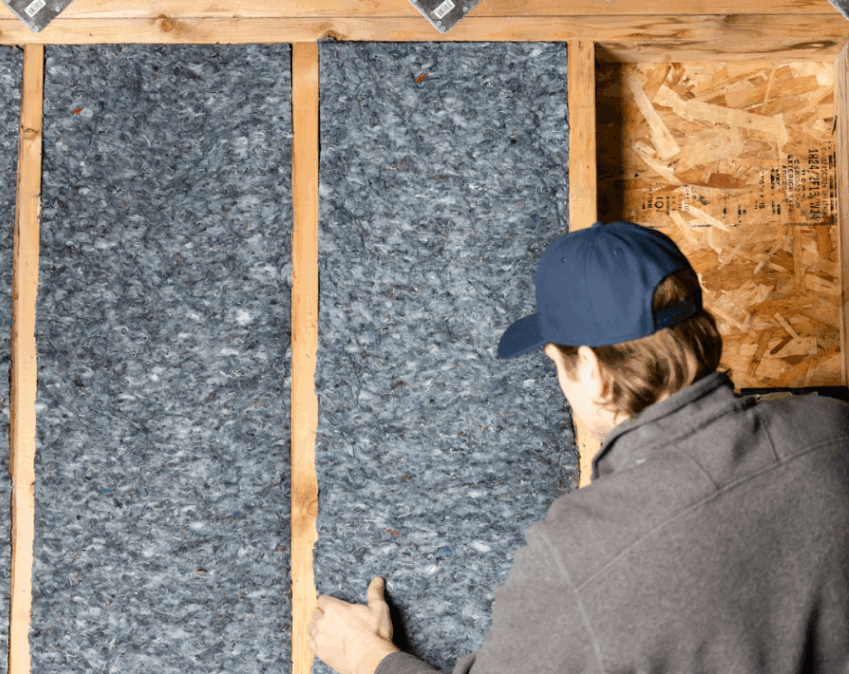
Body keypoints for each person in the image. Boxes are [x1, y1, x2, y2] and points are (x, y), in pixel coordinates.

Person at [307, 221, 849, 674]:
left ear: (591, 371)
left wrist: (368, 658)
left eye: (557, 367)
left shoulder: (578, 556)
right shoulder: (831, 429)